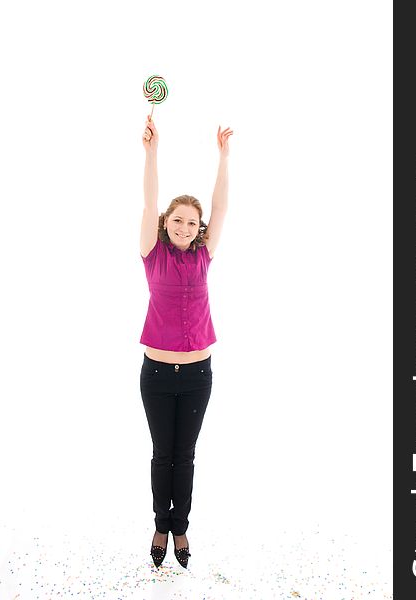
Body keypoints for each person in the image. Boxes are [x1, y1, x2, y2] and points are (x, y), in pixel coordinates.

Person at [139, 114, 233, 569]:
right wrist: (152, 152)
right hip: (156, 374)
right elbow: (148, 199)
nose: (183, 227)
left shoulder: (204, 256)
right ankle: (161, 523)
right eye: (176, 220)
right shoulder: (152, 254)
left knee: (186, 455)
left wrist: (224, 158)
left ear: (199, 228)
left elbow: (221, 206)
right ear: (166, 223)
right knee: (163, 454)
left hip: (198, 375)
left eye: (191, 222)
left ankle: (182, 528)